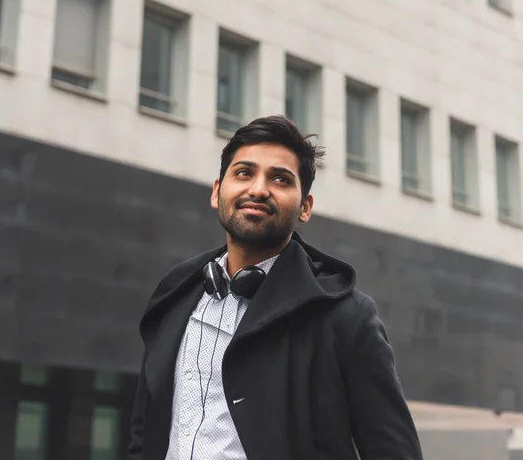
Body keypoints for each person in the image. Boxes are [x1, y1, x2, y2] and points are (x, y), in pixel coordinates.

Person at [127, 115, 424, 460]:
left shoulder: (347, 316)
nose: (258, 189)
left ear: (305, 208)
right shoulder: (175, 295)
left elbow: (393, 451)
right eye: (243, 173)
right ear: (216, 191)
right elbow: (144, 432)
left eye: (280, 179)